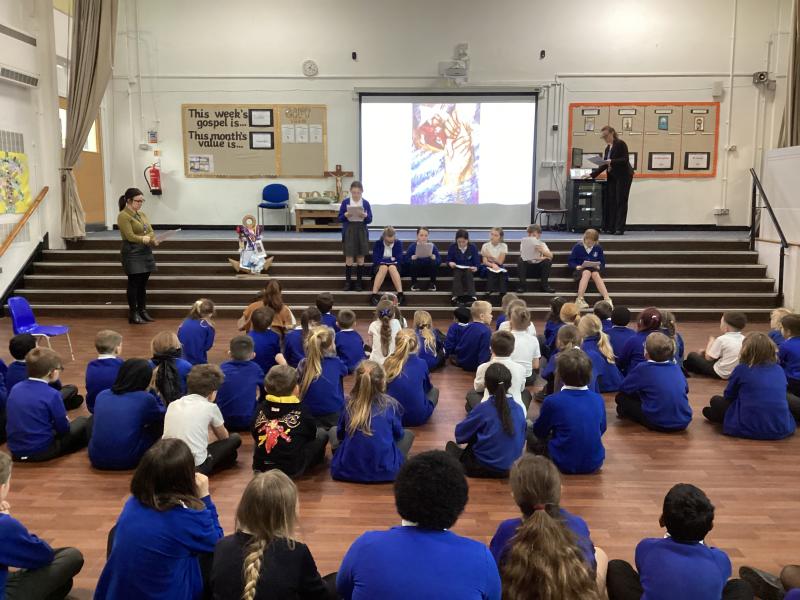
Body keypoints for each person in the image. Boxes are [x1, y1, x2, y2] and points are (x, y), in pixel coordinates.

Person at [336, 451, 501, 600]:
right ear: (460, 503)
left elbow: (343, 589)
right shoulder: (481, 558)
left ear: (399, 495)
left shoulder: (365, 546)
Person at [95, 439, 224, 600]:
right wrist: (205, 497)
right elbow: (218, 542)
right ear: (186, 478)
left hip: (114, 594)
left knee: (116, 532)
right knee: (213, 554)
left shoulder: (132, 503)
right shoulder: (184, 519)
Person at [605, 483, 753, 600]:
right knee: (741, 587)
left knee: (617, 566)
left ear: (662, 520)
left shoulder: (647, 547)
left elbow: (645, 574)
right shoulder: (720, 559)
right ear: (711, 526)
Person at [211, 471, 335, 600]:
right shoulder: (296, 553)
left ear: (244, 508)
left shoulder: (221, 547)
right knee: (336, 581)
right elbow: (321, 596)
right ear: (287, 514)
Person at [489, 455, 601, 577]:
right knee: (600, 554)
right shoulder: (578, 525)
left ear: (514, 496)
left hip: (520, 588)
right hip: (572, 587)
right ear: (560, 490)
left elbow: (493, 570)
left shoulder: (507, 530)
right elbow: (591, 569)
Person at [0, 451, 84, 600]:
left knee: (61, 582)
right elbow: (43, 555)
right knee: (70, 556)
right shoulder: (4, 525)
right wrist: (8, 518)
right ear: (2, 488)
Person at [329, 361, 414, 483]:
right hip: (387, 473)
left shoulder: (348, 404)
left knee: (333, 431)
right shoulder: (390, 405)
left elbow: (340, 434)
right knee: (408, 434)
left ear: (357, 381)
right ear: (382, 382)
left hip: (346, 472)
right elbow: (399, 435)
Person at [702, 332, 796, 439]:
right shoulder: (779, 370)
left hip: (748, 426)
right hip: (781, 428)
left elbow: (729, 395)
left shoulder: (741, 369)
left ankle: (720, 416)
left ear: (745, 350)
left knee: (715, 401)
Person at [6, 348, 90, 463]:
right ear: (52, 372)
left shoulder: (16, 388)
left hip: (15, 451)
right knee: (83, 421)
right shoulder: (52, 394)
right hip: (41, 451)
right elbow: (63, 428)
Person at [530, 349, 607, 474]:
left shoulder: (552, 401)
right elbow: (602, 428)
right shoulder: (598, 399)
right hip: (595, 463)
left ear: (559, 375)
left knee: (529, 427)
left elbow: (539, 431)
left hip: (562, 462)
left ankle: (536, 473)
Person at [448, 363, 526, 478]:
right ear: (510, 385)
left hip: (482, 467)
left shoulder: (483, 409)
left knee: (451, 448)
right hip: (510, 468)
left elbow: (460, 434)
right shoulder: (519, 409)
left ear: (486, 385)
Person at [162, 364, 242, 475]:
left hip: (167, 462)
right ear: (213, 393)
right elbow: (224, 437)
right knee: (235, 439)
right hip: (195, 467)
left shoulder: (173, 404)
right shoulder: (211, 407)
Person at [252, 365, 328, 478]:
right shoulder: (302, 410)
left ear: (266, 388)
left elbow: (254, 432)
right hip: (290, 468)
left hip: (262, 466)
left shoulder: (260, 408)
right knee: (322, 434)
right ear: (296, 389)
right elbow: (312, 434)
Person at [89, 359, 165, 470]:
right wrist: (153, 391)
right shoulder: (145, 398)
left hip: (95, 458)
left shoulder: (102, 395)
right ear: (145, 380)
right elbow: (162, 412)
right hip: (128, 460)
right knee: (158, 423)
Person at [615, 332, 692, 432]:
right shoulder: (675, 367)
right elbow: (686, 389)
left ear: (646, 353)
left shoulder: (643, 368)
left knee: (621, 398)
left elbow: (624, 388)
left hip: (658, 422)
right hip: (684, 421)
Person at [6, 334, 83, 409]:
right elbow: (56, 386)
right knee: (72, 388)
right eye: (37, 347)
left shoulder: (10, 367)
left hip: (18, 402)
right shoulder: (36, 367)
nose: (39, 348)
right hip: (40, 401)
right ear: (32, 353)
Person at [117, 187, 159, 324]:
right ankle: (133, 313)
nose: (140, 203)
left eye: (142, 201)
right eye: (138, 201)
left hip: (145, 250)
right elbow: (129, 236)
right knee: (134, 283)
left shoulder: (142, 214)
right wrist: (143, 238)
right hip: (132, 251)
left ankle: (143, 310)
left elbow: (151, 231)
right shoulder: (123, 215)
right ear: (129, 200)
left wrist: (149, 238)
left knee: (143, 284)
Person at [384, 329, 439, 427]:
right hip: (417, 418)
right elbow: (427, 389)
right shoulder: (422, 363)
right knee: (434, 391)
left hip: (393, 416)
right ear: (417, 345)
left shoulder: (388, 362)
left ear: (396, 344)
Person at [298, 327, 348, 429]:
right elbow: (345, 371)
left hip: (309, 412)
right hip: (333, 412)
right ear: (331, 346)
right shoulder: (336, 363)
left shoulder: (303, 363)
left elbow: (296, 381)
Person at [467, 330, 529, 412]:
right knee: (526, 393)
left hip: (489, 410)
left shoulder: (483, 367)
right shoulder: (521, 368)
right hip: (516, 410)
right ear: (513, 349)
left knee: (471, 394)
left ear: (491, 349)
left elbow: (478, 388)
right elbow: (521, 388)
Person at [588, 125, 634, 236]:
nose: (605, 138)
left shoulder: (620, 144)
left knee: (620, 201)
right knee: (612, 201)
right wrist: (591, 175)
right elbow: (604, 164)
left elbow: (625, 159)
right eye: (603, 137)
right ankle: (611, 227)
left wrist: (611, 161)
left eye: (606, 136)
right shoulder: (608, 148)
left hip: (623, 176)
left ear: (612, 133)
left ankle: (619, 228)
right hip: (613, 176)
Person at [216, 336, 265, 431]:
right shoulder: (256, 369)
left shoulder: (222, 368)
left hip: (223, 420)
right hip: (249, 421)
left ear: (230, 353)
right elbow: (264, 390)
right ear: (253, 355)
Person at [685, 312, 747, 380]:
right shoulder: (745, 339)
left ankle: (687, 370)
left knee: (692, 356)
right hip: (736, 373)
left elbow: (708, 358)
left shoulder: (721, 339)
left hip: (722, 373)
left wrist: (711, 342)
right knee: (702, 357)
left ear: (726, 328)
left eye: (721, 323)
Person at [338, 181, 373, 291]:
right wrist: (345, 215)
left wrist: (365, 216)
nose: (356, 195)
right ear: (350, 191)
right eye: (353, 192)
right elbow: (339, 218)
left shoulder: (365, 203)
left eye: (358, 193)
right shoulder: (346, 202)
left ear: (362, 192)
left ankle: (359, 283)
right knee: (349, 257)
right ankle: (348, 283)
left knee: (360, 258)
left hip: (361, 230)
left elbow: (370, 219)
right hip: (349, 230)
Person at [568, 228, 611, 311]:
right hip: (580, 270)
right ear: (585, 239)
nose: (590, 243)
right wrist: (577, 266)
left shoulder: (598, 248)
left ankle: (607, 299)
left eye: (592, 242)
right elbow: (571, 261)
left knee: (595, 274)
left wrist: (599, 266)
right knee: (587, 272)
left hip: (593, 269)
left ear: (595, 241)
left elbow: (602, 262)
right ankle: (579, 299)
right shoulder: (578, 247)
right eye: (588, 241)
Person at [579, 314, 623, 393]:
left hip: (604, 389)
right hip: (616, 385)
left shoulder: (584, 348)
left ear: (581, 330)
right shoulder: (604, 342)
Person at [85, 329, 125, 413]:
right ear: (117, 348)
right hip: (115, 408)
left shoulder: (91, 365)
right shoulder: (121, 365)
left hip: (93, 406)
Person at [149, 331, 193, 405]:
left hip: (154, 405)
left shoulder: (148, 365)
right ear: (177, 347)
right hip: (180, 405)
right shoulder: (186, 366)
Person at [617, 307, 663, 375]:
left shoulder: (633, 340)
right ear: (660, 323)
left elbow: (621, 362)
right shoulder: (665, 340)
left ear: (641, 322)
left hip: (635, 376)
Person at [504, 305, 541, 386]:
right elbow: (536, 365)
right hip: (527, 378)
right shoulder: (533, 340)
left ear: (510, 322)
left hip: (507, 377)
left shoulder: (504, 337)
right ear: (529, 324)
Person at [453, 300, 493, 371]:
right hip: (476, 365)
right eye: (490, 313)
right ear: (482, 316)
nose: (492, 316)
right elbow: (484, 352)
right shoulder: (486, 331)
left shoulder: (467, 327)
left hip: (463, 362)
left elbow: (461, 346)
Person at [370, 226, 404, 304]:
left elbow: (399, 259)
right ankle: (374, 295)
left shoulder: (398, 243)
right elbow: (375, 259)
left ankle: (400, 294)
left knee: (392, 267)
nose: (390, 243)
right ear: (384, 238)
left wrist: (384, 260)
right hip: (379, 267)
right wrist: (390, 260)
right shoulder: (378, 243)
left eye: (391, 242)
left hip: (395, 267)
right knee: (384, 267)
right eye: (388, 242)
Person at [517, 223, 554, 293]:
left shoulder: (542, 244)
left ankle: (544, 286)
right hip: (527, 269)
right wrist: (540, 257)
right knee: (520, 260)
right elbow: (525, 256)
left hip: (538, 270)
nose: (531, 237)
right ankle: (522, 286)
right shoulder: (524, 244)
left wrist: (542, 251)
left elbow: (551, 256)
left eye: (534, 235)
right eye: (529, 235)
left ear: (539, 235)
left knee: (547, 261)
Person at [446, 228, 480, 304]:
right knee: (457, 273)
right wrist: (450, 263)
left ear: (467, 240)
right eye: (459, 242)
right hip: (456, 268)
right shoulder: (452, 247)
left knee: (468, 273)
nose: (461, 244)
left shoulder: (472, 247)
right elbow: (448, 260)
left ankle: (472, 296)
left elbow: (477, 262)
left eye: (463, 242)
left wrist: (476, 267)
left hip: (469, 269)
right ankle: (456, 296)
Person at [177, 298, 216, 365]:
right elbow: (207, 346)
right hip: (198, 361)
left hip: (182, 359)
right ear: (210, 313)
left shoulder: (184, 323)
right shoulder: (208, 326)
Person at [248, 307, 286, 375]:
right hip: (269, 371)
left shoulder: (247, 337)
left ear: (252, 321)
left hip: (252, 371)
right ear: (270, 324)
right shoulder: (274, 336)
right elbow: (278, 354)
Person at [367, 300, 402, 365]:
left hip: (375, 363)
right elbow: (400, 342)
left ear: (377, 314)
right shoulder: (397, 323)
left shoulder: (373, 325)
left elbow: (370, 345)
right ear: (393, 314)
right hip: (392, 363)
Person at [406, 226, 440, 291]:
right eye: (421, 235)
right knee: (413, 262)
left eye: (426, 235)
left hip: (429, 270)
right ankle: (414, 284)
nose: (424, 238)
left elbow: (439, 260)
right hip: (416, 270)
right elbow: (405, 261)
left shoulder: (432, 246)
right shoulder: (412, 246)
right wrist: (411, 258)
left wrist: (434, 258)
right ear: (417, 236)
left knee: (433, 261)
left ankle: (432, 284)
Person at [481, 226, 508, 303]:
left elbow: (500, 262)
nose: (493, 237)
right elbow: (485, 261)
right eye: (492, 234)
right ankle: (488, 291)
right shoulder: (485, 245)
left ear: (500, 237)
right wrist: (492, 265)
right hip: (487, 265)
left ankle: (502, 293)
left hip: (499, 266)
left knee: (502, 273)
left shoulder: (503, 246)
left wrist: (490, 256)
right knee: (490, 271)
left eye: (496, 235)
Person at [335, 309, 366, 374]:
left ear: (337, 324)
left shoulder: (337, 336)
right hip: (362, 365)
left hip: (347, 367)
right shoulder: (357, 334)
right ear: (354, 323)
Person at [778, 313, 800, 397]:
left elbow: (778, 361)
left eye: (781, 328)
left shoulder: (785, 345)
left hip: (793, 380)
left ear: (788, 331)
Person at [542, 296, 567, 360]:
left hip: (553, 352)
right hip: (562, 350)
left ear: (553, 309)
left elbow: (548, 341)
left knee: (540, 339)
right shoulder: (569, 321)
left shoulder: (552, 323)